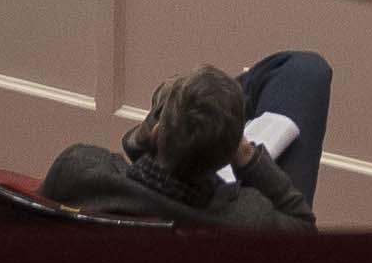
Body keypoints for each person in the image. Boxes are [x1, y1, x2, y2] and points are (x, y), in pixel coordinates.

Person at [42, 51, 335, 226]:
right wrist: (250, 158)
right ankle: (216, 109)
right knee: (307, 71)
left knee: (202, 100)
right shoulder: (249, 217)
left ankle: (200, 104)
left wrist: (148, 131)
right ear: (230, 156)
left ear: (156, 132)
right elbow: (303, 227)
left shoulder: (79, 171)